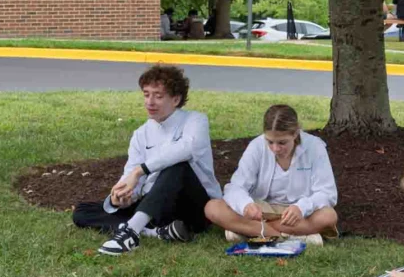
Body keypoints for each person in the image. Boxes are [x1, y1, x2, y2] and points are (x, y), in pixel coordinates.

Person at [96, 64, 224, 255]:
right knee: (84, 211)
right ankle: (155, 232)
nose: (150, 102)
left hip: (194, 206)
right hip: (157, 208)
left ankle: (131, 232)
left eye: (158, 95)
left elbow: (186, 149)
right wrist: (122, 196)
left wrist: (140, 171)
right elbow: (131, 175)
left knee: (177, 166)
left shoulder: (196, 121)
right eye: (146, 95)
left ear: (176, 99)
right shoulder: (141, 133)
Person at [204, 104, 339, 246]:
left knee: (328, 216)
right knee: (212, 207)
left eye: (282, 142)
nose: (275, 148)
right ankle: (287, 237)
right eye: (270, 142)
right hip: (261, 210)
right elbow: (235, 187)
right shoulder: (256, 146)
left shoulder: (315, 147)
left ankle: (249, 231)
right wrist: (246, 205)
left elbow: (327, 193)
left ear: (295, 133)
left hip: (298, 214)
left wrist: (301, 207)